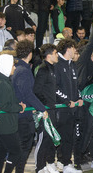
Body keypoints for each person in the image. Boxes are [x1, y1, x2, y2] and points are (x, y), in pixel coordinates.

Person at [10, 40, 48, 173]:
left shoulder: (19, 69)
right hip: (24, 116)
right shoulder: (23, 71)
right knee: (24, 146)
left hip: (22, 114)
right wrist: (42, 108)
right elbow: (28, 94)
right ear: (30, 54)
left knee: (23, 147)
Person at [0, 54, 26, 173]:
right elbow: (4, 105)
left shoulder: (1, 80)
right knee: (16, 152)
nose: (14, 68)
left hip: (3, 123)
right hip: (5, 124)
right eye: (13, 65)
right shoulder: (1, 83)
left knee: (1, 151)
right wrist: (19, 107)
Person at [54, 39, 83, 173]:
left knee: (69, 137)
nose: (75, 51)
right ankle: (63, 162)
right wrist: (66, 101)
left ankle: (65, 162)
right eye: (74, 48)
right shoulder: (58, 64)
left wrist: (78, 98)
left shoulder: (72, 65)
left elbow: (76, 86)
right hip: (61, 108)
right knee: (62, 137)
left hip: (72, 108)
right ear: (68, 48)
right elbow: (55, 88)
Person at [34, 43, 60, 173]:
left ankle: (49, 164)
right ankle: (39, 167)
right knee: (43, 139)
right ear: (49, 55)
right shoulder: (43, 69)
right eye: (55, 53)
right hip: (45, 111)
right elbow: (37, 90)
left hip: (52, 109)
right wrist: (44, 106)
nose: (57, 56)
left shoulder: (53, 69)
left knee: (51, 139)